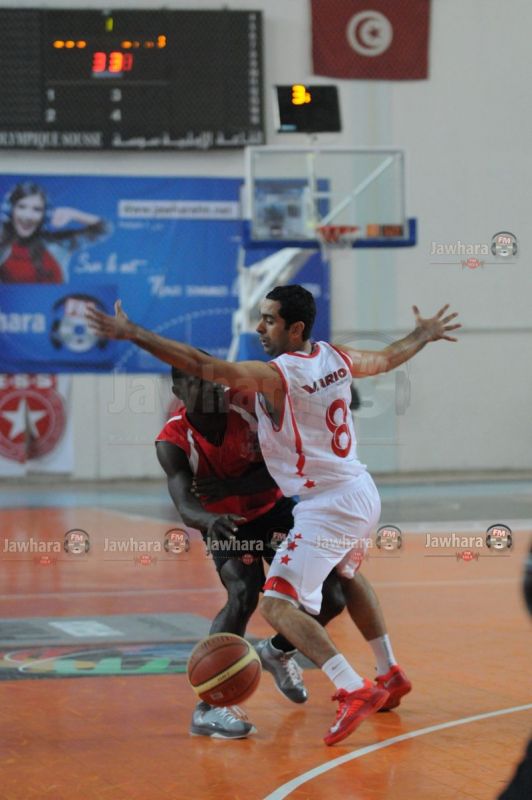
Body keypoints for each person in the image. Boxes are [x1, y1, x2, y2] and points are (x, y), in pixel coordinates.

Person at [87, 285, 460, 745]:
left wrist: (135, 333)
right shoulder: (335, 356)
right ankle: (387, 672)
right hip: (354, 492)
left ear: (295, 328)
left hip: (321, 505)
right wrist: (422, 334)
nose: (259, 328)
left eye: (269, 320)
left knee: (278, 604)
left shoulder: (274, 377)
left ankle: (349, 686)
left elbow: (205, 365)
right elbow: (385, 359)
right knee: (319, 582)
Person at [156, 366, 402, 739]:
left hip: (275, 511)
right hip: (225, 523)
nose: (212, 388)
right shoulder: (172, 441)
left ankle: (277, 651)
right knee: (242, 593)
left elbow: (281, 470)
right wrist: (209, 520)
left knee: (332, 597)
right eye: (198, 383)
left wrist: (228, 486)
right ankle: (208, 707)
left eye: (215, 380)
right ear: (179, 390)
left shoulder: (248, 410)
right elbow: (185, 504)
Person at [0, 181, 107, 283]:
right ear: (10, 209)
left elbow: (103, 228)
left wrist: (73, 214)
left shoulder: (58, 242)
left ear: (45, 214)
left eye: (37, 209)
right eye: (21, 207)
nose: (28, 216)